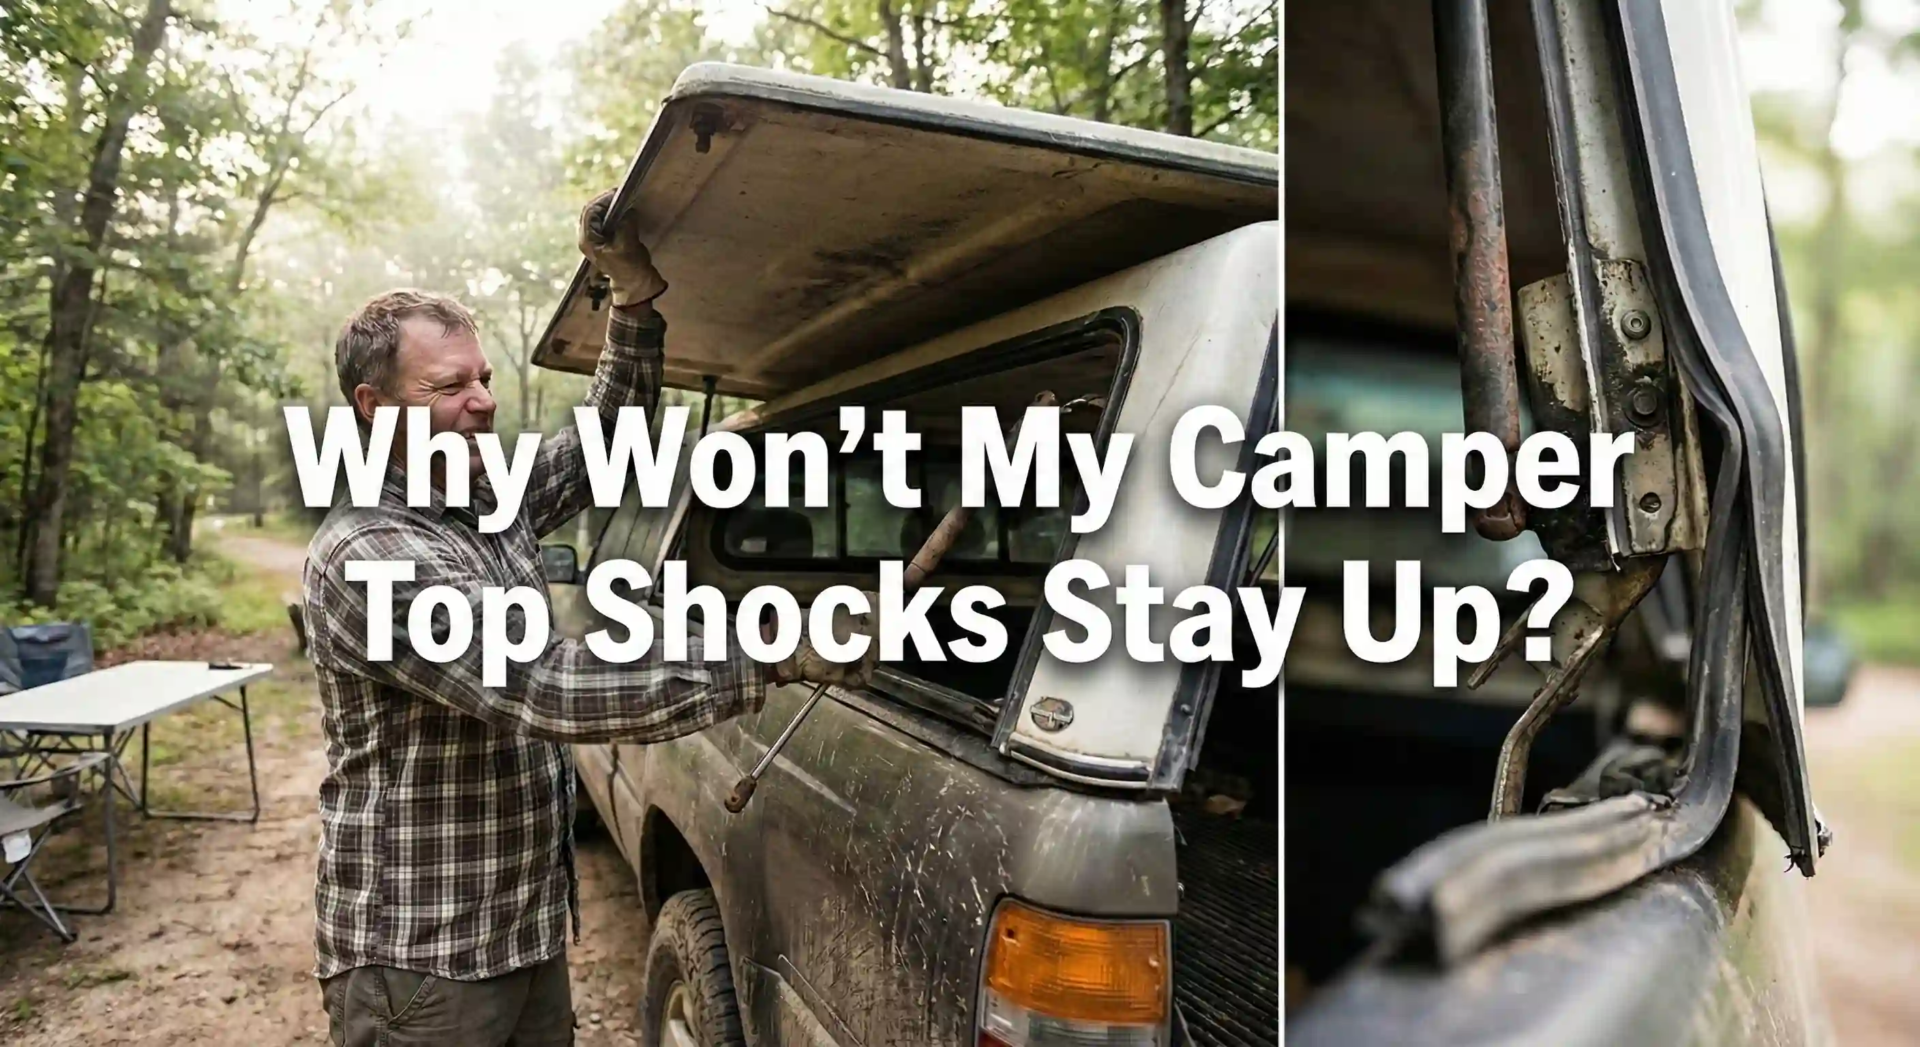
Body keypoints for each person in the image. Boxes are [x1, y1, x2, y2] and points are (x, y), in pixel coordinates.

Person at [302, 189, 875, 1046]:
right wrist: (773, 646)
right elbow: (550, 682)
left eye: (485, 378)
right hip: (424, 963)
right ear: (374, 408)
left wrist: (635, 301)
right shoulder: (366, 557)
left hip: (521, 929)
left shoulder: (484, 497)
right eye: (449, 385)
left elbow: (608, 439)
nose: (484, 401)